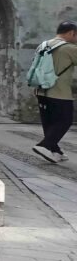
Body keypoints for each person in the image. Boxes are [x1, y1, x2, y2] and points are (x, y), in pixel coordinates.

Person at [31, 21, 77, 163]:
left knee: (50, 122)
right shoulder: (69, 48)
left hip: (41, 90)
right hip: (59, 92)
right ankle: (44, 145)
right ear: (71, 33)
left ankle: (54, 150)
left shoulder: (43, 45)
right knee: (65, 120)